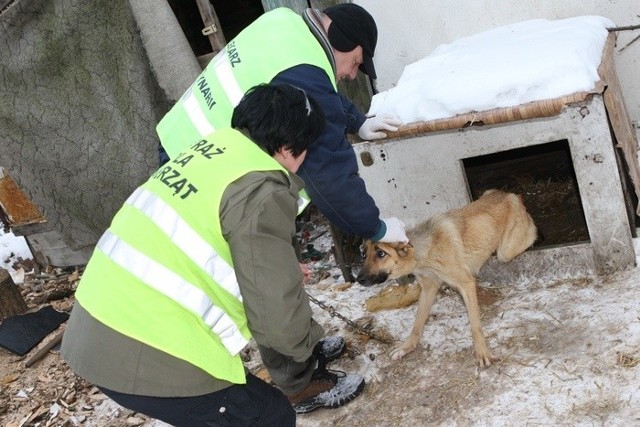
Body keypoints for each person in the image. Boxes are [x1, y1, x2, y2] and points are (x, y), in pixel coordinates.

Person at [61, 84, 366, 426]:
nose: (305, 158)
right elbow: (275, 314)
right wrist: (305, 341)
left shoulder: (216, 149)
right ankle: (302, 385)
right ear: (284, 148)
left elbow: (207, 245)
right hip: (141, 348)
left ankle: (300, 371)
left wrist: (276, 265)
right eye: (304, 148)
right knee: (269, 417)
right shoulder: (261, 192)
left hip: (96, 321)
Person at [157, 3, 408, 245]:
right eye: (355, 62)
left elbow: (311, 87)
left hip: (181, 142)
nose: (353, 75)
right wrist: (375, 227)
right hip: (207, 177)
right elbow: (327, 173)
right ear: (342, 40)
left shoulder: (283, 23)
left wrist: (357, 120)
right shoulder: (306, 73)